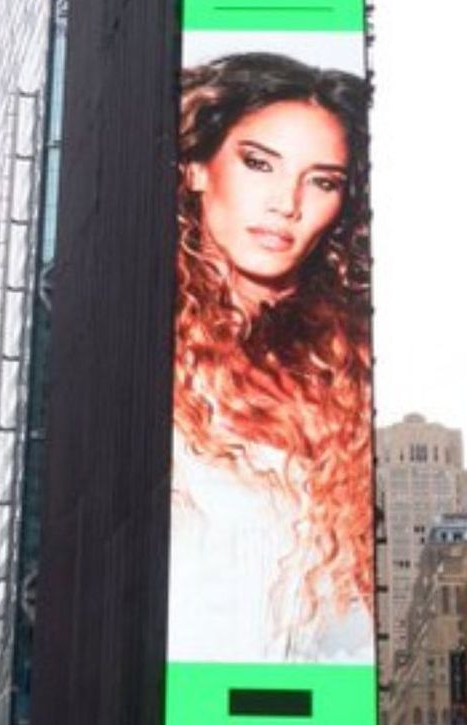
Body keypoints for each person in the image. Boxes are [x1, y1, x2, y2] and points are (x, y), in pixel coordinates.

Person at [169, 52, 374, 664]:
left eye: (323, 181)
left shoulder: (343, 376)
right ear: (199, 168)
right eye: (259, 164)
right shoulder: (138, 336)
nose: (287, 203)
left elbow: (346, 627)